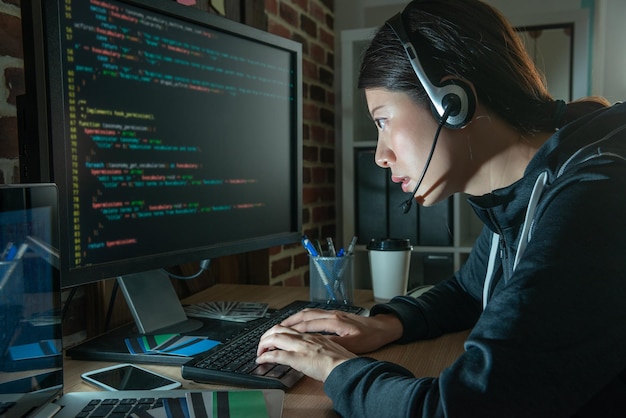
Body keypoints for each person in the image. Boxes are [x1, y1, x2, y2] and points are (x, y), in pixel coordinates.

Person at [256, 0, 626, 416]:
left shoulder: (593, 198)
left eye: (382, 121)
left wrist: (336, 367)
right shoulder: (527, 194)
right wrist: (384, 324)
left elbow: (459, 410)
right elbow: (469, 290)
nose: (380, 155)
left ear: (451, 101)